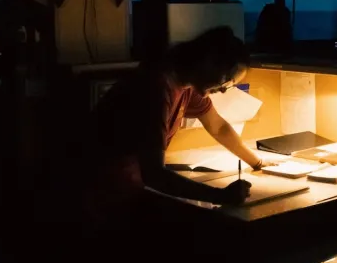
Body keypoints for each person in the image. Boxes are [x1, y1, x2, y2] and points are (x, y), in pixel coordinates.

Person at [85, 26, 266, 218]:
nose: (223, 90)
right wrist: (220, 195)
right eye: (227, 80)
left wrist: (258, 162)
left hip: (126, 188)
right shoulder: (157, 87)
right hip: (103, 193)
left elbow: (218, 127)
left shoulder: (186, 85)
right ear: (209, 61)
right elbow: (154, 174)